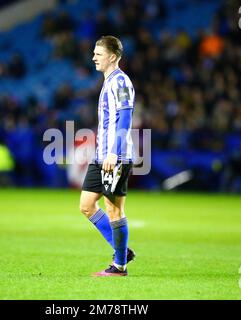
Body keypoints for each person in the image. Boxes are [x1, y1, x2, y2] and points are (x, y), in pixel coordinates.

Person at [79, 36, 136, 276]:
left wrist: (114, 151)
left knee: (114, 210)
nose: (93, 57)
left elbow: (125, 117)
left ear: (112, 56)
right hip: (101, 156)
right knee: (86, 205)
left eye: (98, 53)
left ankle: (119, 266)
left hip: (116, 156)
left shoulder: (120, 81)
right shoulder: (109, 82)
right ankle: (122, 251)